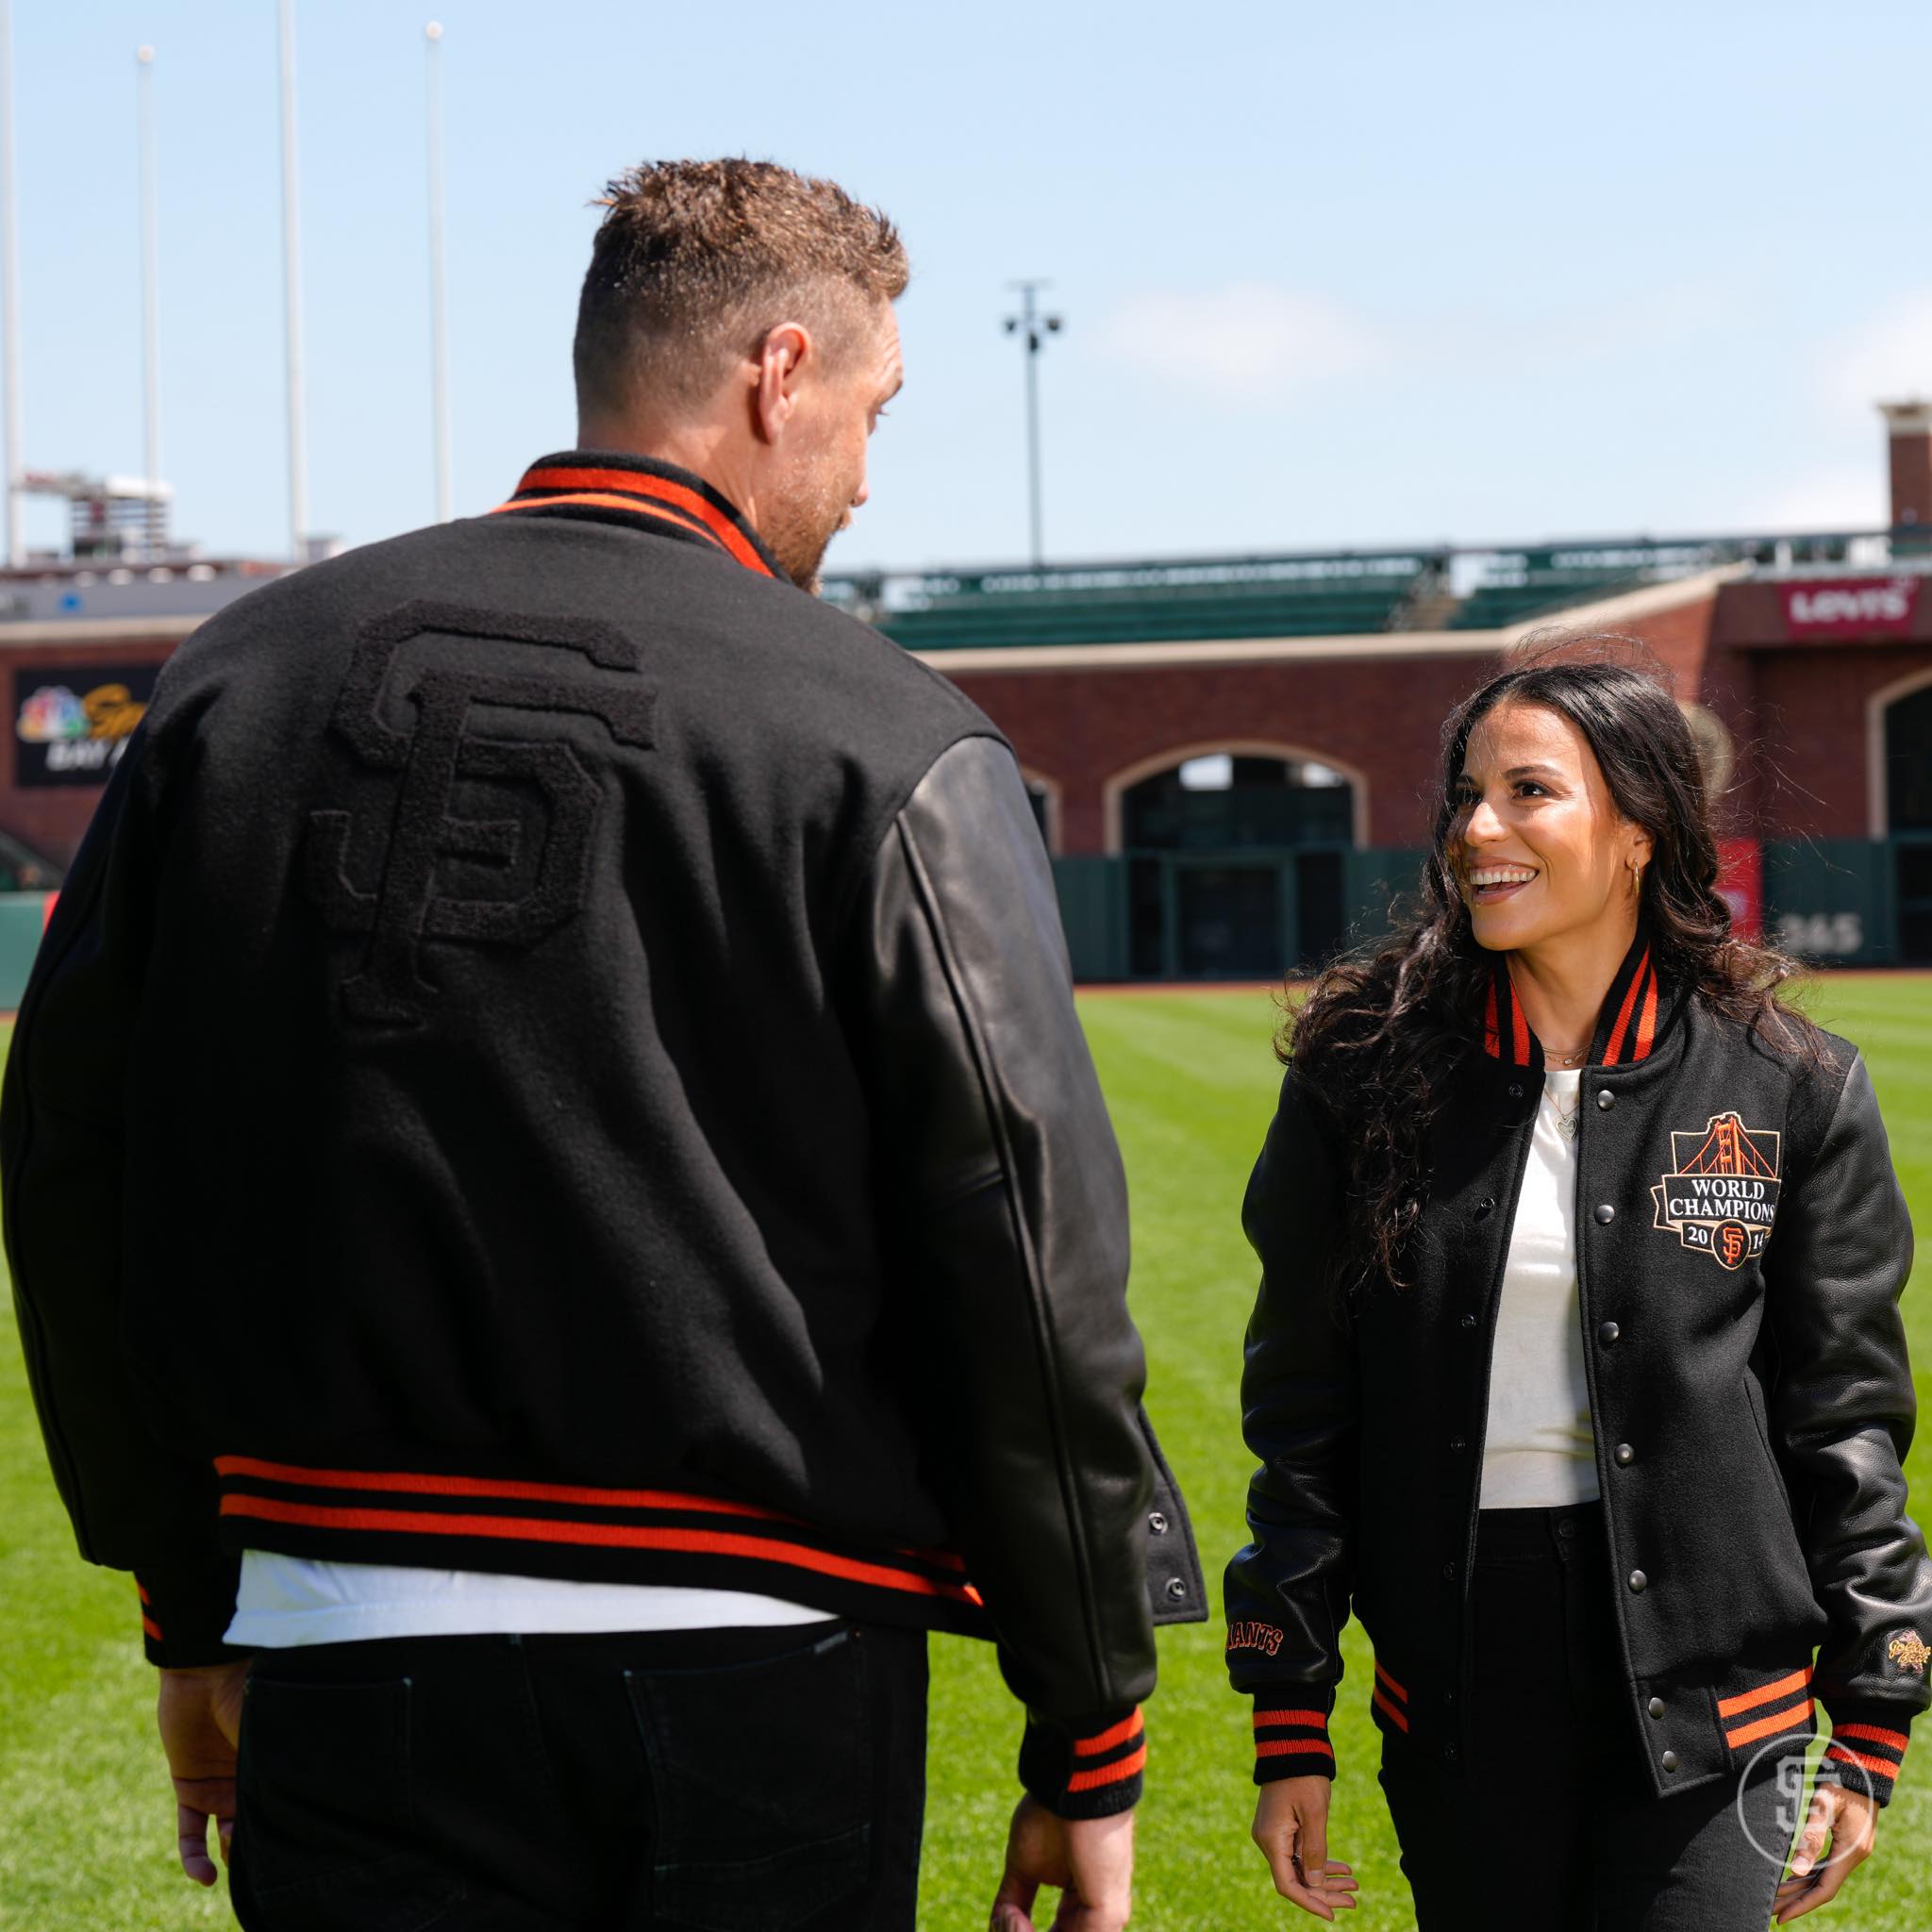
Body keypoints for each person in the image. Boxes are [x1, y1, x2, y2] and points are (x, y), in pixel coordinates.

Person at [1, 158, 1202, 1932]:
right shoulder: (885, 725)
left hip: (346, 1642)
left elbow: (76, 1170)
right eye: (874, 412)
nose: (869, 474)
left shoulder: (236, 678)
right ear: (778, 375)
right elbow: (1022, 1252)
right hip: (764, 1659)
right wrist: (1088, 1721)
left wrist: (186, 1604)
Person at [1223, 638, 1931, 1928]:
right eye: (1466, 795)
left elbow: (1844, 1417)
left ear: (1641, 829)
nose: (1477, 828)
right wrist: (1291, 1715)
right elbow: (1305, 1407)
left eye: (1529, 790)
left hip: (1731, 1700)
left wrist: (1876, 1706)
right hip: (1461, 1685)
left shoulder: (1792, 1087)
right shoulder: (1358, 1079)